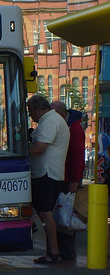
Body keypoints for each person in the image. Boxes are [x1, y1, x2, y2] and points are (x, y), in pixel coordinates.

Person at [27, 94, 69, 264]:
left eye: (31, 111)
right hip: (47, 173)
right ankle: (51, 251)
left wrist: (20, 152)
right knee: (43, 212)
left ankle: (53, 252)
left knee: (45, 213)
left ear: (38, 109)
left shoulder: (50, 121)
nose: (30, 115)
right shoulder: (48, 120)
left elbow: (39, 148)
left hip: (46, 173)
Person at [51, 101, 86, 260]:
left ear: (62, 114)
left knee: (66, 216)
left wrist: (74, 180)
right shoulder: (68, 126)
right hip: (63, 176)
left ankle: (67, 253)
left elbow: (77, 157)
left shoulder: (74, 129)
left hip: (68, 179)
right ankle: (62, 252)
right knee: (61, 215)